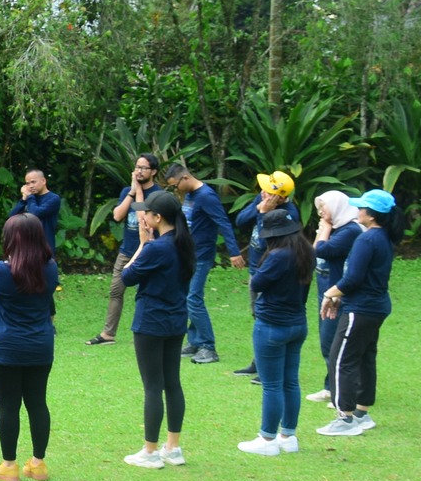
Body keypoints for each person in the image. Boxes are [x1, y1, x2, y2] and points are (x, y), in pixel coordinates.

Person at [0, 213, 57, 481]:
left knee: (9, 407)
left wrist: (4, 261)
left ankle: (9, 465)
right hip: (40, 346)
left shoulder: (2, 271)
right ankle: (38, 463)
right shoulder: (50, 268)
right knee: (38, 404)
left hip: (7, 349)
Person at [119, 190, 194, 469]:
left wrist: (141, 245)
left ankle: (150, 451)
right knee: (172, 382)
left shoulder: (156, 248)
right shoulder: (184, 243)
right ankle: (173, 448)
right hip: (176, 321)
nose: (143, 217)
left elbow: (126, 276)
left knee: (153, 386)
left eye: (147, 213)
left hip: (151, 321)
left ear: (157, 217)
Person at [318, 189, 400, 437]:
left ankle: (346, 418)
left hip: (361, 308)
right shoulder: (383, 237)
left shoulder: (366, 239)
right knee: (365, 356)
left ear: (372, 215)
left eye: (361, 207)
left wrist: (329, 294)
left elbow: (353, 278)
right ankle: (362, 413)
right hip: (375, 306)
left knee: (340, 359)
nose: (357, 211)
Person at [239, 206, 312, 457]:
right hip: (297, 323)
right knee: (290, 382)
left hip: (272, 324)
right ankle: (288, 436)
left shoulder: (278, 256)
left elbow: (257, 283)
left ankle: (267, 439)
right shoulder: (306, 251)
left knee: (271, 385)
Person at [163, 161, 238, 364]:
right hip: (189, 254)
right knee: (189, 297)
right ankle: (195, 341)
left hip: (202, 256)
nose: (175, 189)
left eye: (175, 185)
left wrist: (234, 252)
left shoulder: (206, 196)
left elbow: (223, 222)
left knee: (193, 299)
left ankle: (208, 347)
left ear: (185, 178)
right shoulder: (191, 196)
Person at [227, 170, 295, 378]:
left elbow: (275, 240)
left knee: (268, 319)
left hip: (272, 273)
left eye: (268, 192)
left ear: (281, 197)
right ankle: (258, 362)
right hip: (255, 270)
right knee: (258, 316)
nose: (263, 194)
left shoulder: (289, 214)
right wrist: (260, 209)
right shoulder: (262, 199)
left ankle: (269, 367)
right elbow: (240, 221)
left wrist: (266, 214)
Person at [88, 153, 159, 346]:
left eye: (144, 168)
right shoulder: (127, 191)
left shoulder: (157, 194)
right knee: (116, 291)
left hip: (149, 251)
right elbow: (118, 215)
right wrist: (131, 192)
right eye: (137, 167)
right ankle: (108, 334)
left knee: (146, 294)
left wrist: (138, 193)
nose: (139, 171)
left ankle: (148, 333)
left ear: (153, 171)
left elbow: (144, 217)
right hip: (126, 251)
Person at [305, 190, 357, 401]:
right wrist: (324, 230)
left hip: (338, 296)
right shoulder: (335, 228)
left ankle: (342, 391)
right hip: (325, 293)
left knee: (335, 343)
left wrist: (324, 228)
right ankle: (331, 386)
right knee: (327, 342)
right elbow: (313, 251)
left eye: (323, 207)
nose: (320, 211)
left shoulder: (349, 230)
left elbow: (323, 251)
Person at [9, 169, 62, 250]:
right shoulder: (30, 198)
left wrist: (29, 196)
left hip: (44, 247)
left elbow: (34, 214)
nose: (30, 186)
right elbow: (12, 217)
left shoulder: (54, 198)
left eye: (33, 182)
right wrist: (24, 199)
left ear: (43, 181)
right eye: (27, 183)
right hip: (27, 247)